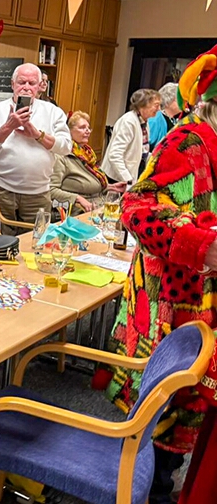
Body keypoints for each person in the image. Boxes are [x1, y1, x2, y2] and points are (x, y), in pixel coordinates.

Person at [101, 46, 217, 504]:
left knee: (186, 413)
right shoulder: (188, 142)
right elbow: (138, 207)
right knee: (164, 415)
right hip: (172, 301)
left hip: (201, 303)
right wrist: (201, 244)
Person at [0, 63, 71, 234]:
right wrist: (8, 126)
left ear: (40, 86)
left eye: (32, 83)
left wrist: (38, 135)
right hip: (1, 191)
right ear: (12, 84)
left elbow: (66, 147)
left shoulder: (53, 112)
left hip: (38, 193)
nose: (26, 87)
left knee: (36, 241)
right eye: (22, 82)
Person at [50, 111, 125, 214]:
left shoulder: (88, 154)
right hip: (79, 212)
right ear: (68, 131)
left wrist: (110, 187)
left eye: (89, 128)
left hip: (99, 206)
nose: (88, 131)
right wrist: (77, 198)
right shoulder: (61, 156)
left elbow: (91, 187)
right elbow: (51, 190)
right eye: (82, 128)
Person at [101, 88, 161, 184]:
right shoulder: (128, 121)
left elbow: (141, 151)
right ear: (142, 105)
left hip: (131, 175)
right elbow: (115, 154)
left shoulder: (144, 122)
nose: (159, 109)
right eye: (156, 105)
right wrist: (128, 179)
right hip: (117, 178)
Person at [148, 82, 181, 147]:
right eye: (179, 99)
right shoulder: (155, 119)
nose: (184, 103)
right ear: (170, 100)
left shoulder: (173, 119)